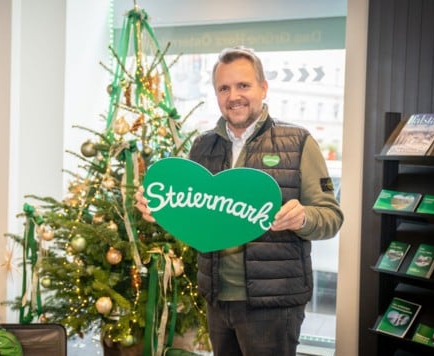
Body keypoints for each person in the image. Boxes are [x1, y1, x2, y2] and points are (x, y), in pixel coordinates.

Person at [135, 46, 343, 356]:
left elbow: (331, 217)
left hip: (273, 303)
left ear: (263, 87)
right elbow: (196, 219)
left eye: (243, 85)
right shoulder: (203, 146)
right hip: (217, 298)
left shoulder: (298, 142)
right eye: (224, 88)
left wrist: (303, 218)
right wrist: (162, 210)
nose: (234, 96)